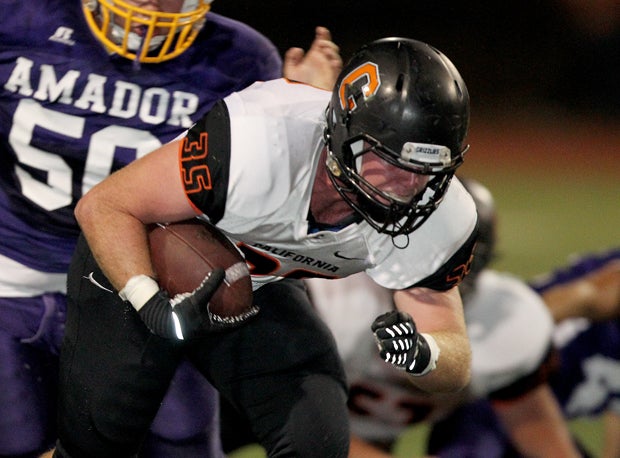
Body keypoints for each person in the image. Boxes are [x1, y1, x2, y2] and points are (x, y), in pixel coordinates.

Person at [53, 37, 478, 457]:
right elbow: (105, 206)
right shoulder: (258, 140)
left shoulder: (440, 213)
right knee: (94, 448)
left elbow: (454, 358)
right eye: (389, 162)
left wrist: (424, 353)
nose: (406, 190)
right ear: (343, 134)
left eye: (426, 172)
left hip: (257, 288)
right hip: (145, 265)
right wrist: (149, 302)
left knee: (316, 438)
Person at [0, 0, 341, 456]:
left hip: (151, 283)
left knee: (183, 444)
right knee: (15, 436)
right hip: (13, 275)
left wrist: (300, 115)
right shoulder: (17, 20)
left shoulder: (238, 56)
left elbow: (259, 193)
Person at [304, 177, 585, 458]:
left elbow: (539, 433)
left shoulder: (502, 323)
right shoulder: (337, 298)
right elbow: (297, 423)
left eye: (455, 255)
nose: (439, 265)